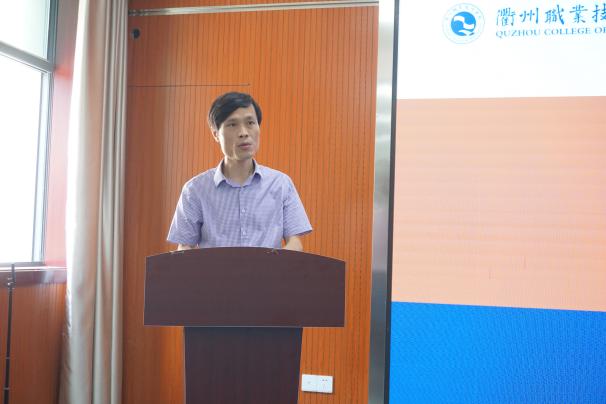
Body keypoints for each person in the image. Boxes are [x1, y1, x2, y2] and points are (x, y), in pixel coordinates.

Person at [167, 92, 312, 251]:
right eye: (232, 124)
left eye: (250, 122)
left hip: (269, 269)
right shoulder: (194, 190)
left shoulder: (281, 183)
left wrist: (275, 266)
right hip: (214, 269)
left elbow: (295, 242)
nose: (244, 132)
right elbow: (185, 246)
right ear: (215, 134)